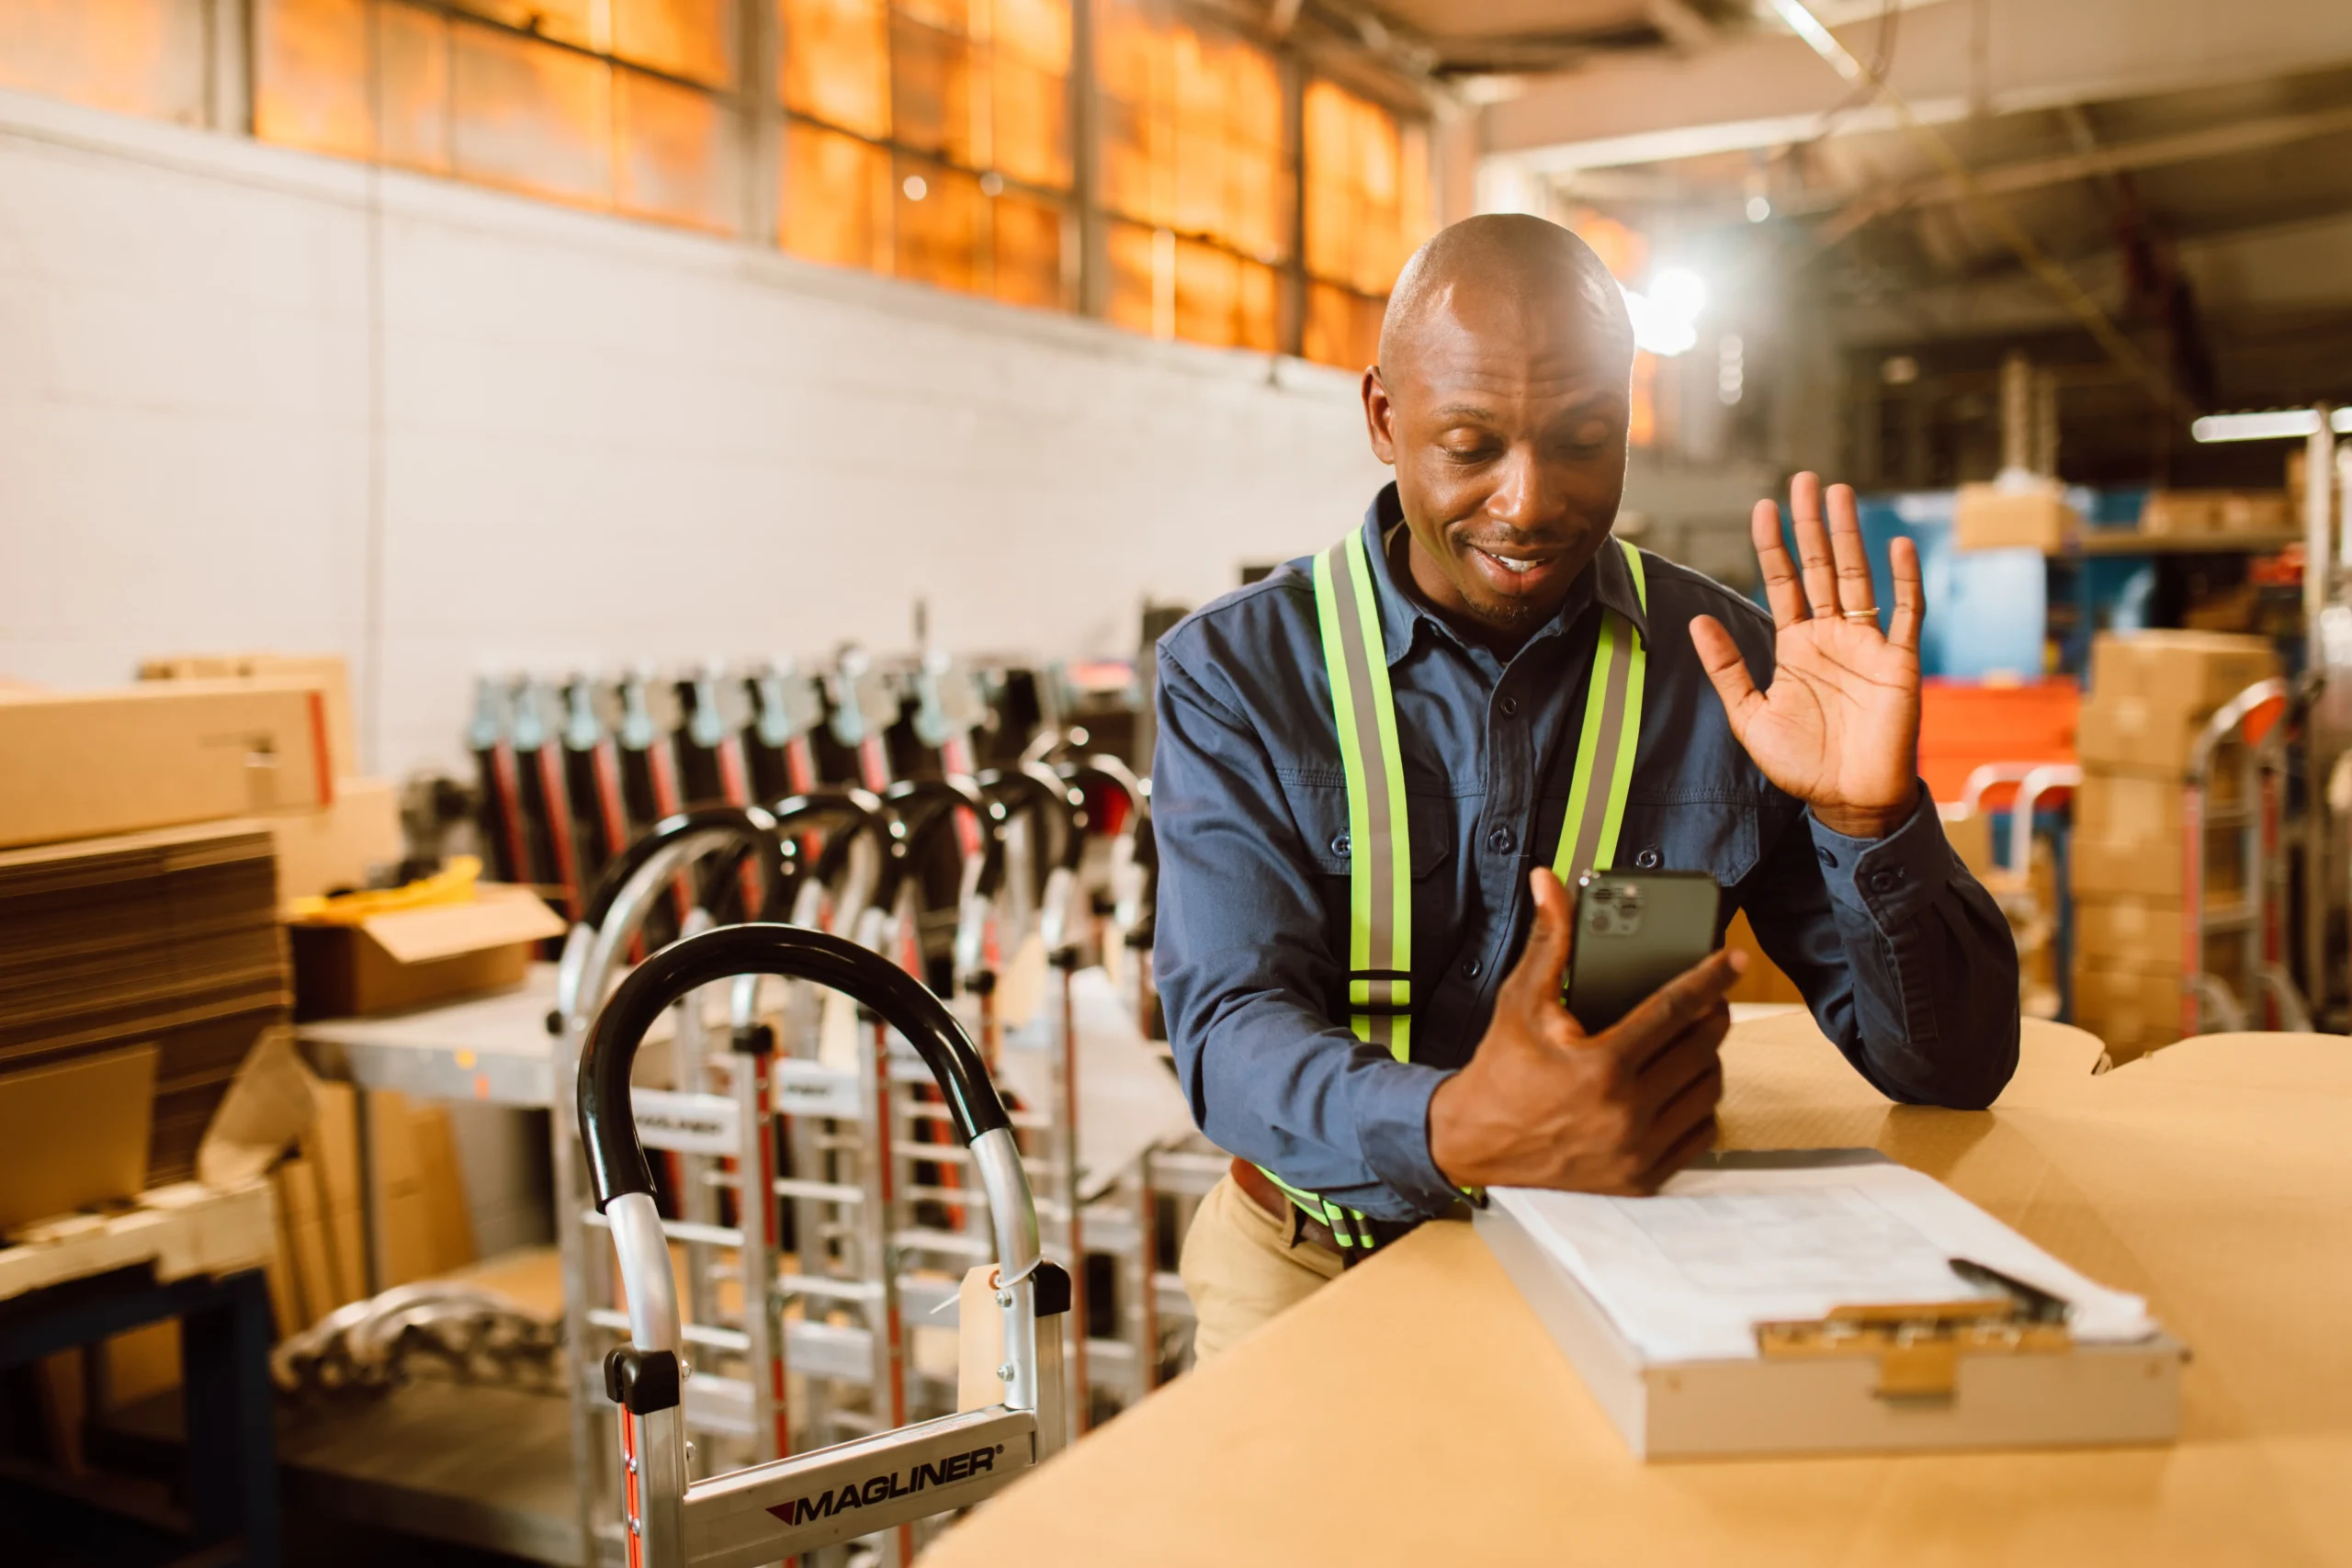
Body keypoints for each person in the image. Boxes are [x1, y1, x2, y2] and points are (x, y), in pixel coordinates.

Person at [1151, 213, 2020, 1360]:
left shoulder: (1733, 673)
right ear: (1382, 418)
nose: (1529, 503)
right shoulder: (1236, 675)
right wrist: (1453, 1127)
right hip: (1313, 1265)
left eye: (1581, 440)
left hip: (1624, 1252)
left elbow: (1949, 1070)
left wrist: (1871, 821)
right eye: (1470, 446)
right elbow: (1228, 1033)